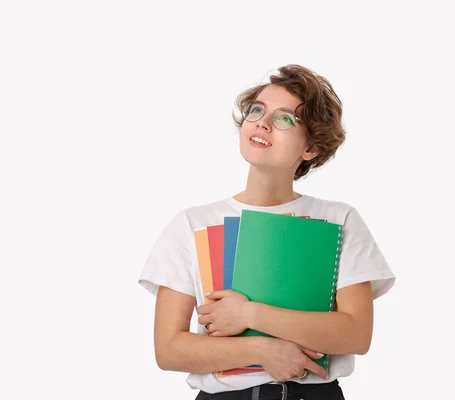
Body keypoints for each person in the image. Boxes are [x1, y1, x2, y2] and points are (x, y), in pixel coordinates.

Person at [138, 64, 396, 400]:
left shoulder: (338, 219)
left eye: (284, 118)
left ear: (310, 148)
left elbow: (356, 334)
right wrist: (262, 350)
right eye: (257, 110)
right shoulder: (192, 224)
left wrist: (248, 314)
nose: (261, 122)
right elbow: (169, 349)